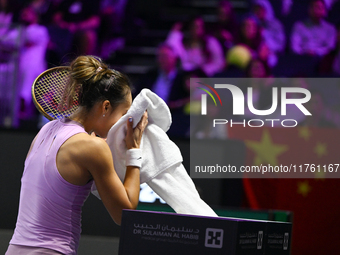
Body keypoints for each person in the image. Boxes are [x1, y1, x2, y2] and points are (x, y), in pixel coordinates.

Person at [5, 55, 148, 255]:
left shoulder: (45, 131)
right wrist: (134, 150)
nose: (125, 121)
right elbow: (124, 214)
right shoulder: (93, 148)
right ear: (106, 107)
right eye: (124, 112)